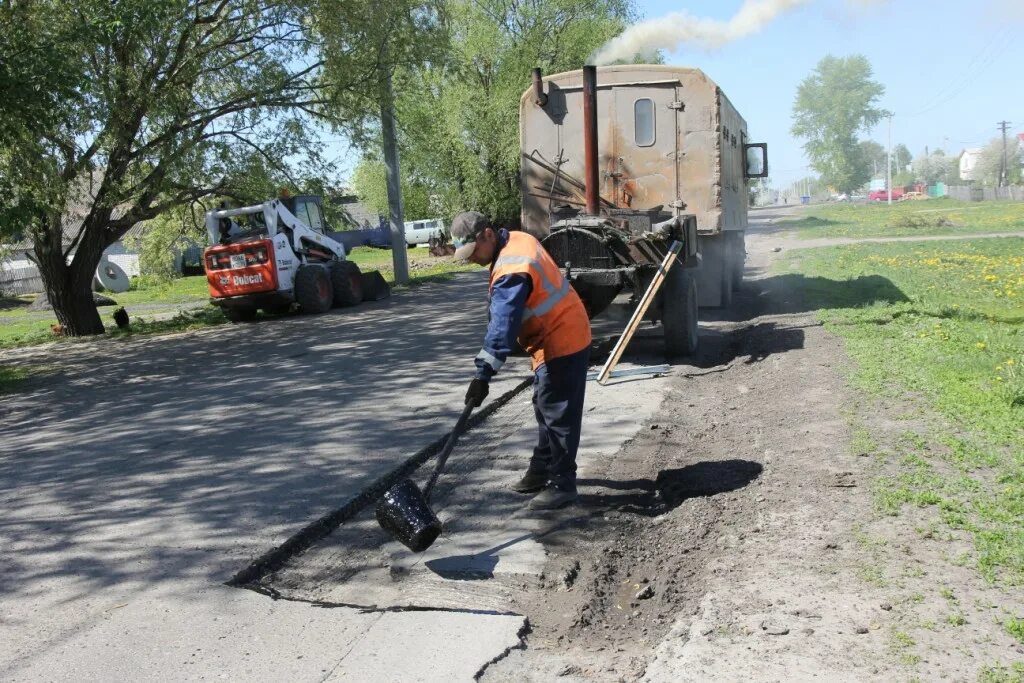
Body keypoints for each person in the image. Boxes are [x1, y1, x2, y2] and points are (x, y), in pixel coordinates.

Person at [452, 211, 591, 510]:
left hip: (561, 339)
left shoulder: (511, 269)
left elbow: (502, 326)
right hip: (555, 334)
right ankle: (541, 470)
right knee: (545, 405)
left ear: (488, 234)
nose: (472, 259)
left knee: (557, 413)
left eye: (473, 251)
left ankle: (562, 485)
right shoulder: (517, 239)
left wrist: (483, 375)